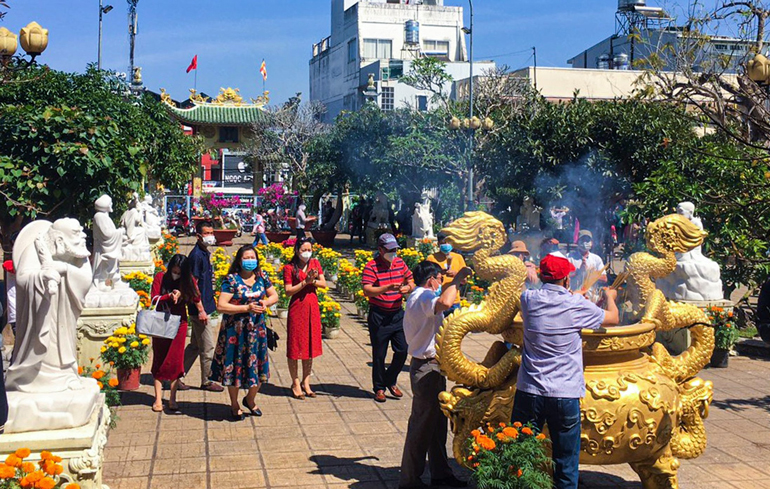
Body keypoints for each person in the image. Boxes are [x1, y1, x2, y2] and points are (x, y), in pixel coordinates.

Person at [512, 252, 619, 489]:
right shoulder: (575, 304)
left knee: (519, 458)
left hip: (529, 392)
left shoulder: (529, 299)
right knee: (566, 465)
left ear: (541, 276)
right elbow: (613, 319)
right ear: (567, 280)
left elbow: (535, 291)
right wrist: (610, 297)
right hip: (564, 394)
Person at [399, 261, 472, 489]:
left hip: (433, 367)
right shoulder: (422, 296)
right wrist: (457, 278)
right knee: (421, 426)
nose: (441, 284)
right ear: (431, 279)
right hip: (426, 368)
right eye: (439, 279)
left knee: (437, 424)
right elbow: (445, 302)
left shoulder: (418, 296)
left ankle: (440, 472)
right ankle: (410, 480)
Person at [210, 245, 279, 420]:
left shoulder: (262, 276)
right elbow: (221, 305)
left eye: (252, 257)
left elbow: (274, 295)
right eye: (246, 258)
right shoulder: (231, 280)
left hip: (257, 332)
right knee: (234, 367)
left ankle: (250, 399)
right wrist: (245, 307)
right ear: (239, 261)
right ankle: (234, 404)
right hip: (235, 331)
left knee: (259, 369)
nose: (250, 261)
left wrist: (266, 303)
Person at [362, 233, 415, 403]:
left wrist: (408, 287)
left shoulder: (399, 263)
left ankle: (390, 379)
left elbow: (411, 279)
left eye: (395, 249)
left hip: (397, 313)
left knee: (402, 349)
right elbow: (367, 290)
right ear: (380, 249)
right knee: (379, 354)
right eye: (390, 250)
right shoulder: (371, 266)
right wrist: (386, 288)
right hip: (379, 315)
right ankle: (379, 388)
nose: (394, 253)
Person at [150, 254, 204, 413]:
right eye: (174, 271)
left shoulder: (187, 280)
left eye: (179, 272)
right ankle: (158, 398)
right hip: (161, 321)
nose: (176, 274)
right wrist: (168, 296)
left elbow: (196, 296)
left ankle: (172, 398)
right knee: (160, 357)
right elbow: (153, 299)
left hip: (179, 322)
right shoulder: (160, 277)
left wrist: (182, 293)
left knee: (175, 359)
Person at [182, 221, 224, 392]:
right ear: (198, 236)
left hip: (204, 305)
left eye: (211, 232)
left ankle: (175, 375)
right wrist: (200, 309)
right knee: (207, 346)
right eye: (206, 233)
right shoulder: (197, 256)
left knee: (195, 346)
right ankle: (207, 380)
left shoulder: (204, 253)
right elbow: (193, 285)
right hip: (199, 308)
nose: (210, 236)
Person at [283, 237, 326, 399]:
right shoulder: (289, 267)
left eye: (309, 249)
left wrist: (312, 281)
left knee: (310, 344)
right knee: (295, 345)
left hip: (312, 306)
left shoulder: (315, 263)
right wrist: (305, 282)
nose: (307, 253)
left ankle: (306, 381)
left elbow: (324, 284)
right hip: (297, 307)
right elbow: (288, 291)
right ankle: (295, 382)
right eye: (303, 250)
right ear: (296, 251)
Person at [426, 233, 468, 316]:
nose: (446, 245)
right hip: (438, 301)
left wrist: (456, 274)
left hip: (454, 301)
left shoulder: (458, 257)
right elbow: (427, 280)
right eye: (443, 243)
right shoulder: (431, 258)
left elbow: (464, 281)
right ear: (438, 244)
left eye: (448, 243)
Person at [567, 230, 607, 294]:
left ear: (592, 243)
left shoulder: (596, 259)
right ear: (577, 242)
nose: (585, 243)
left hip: (590, 296)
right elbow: (564, 276)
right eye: (582, 240)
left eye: (587, 240)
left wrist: (589, 273)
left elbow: (604, 278)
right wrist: (578, 272)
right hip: (573, 295)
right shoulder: (569, 257)